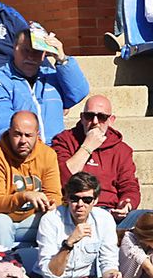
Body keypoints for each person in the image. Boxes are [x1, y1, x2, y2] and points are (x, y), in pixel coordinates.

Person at [34, 172, 132, 278]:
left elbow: (108, 263)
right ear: (66, 198)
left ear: (95, 200)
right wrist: (69, 243)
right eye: (75, 199)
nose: (80, 205)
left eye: (86, 200)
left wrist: (113, 276)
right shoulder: (50, 220)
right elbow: (51, 275)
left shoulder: (104, 219)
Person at [0, 27, 90, 143]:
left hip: (56, 150)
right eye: (26, 50)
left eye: (37, 51)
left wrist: (62, 60)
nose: (31, 57)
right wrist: (36, 151)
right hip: (20, 151)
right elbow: (0, 126)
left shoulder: (51, 76)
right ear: (14, 49)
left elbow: (79, 92)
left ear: (44, 54)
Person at [53, 95, 141, 224]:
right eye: (89, 116)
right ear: (82, 118)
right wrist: (87, 147)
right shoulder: (64, 140)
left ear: (111, 120)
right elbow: (62, 178)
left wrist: (126, 203)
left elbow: (129, 185)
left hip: (110, 212)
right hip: (76, 209)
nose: (95, 122)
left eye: (102, 117)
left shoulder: (122, 150)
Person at [0, 111, 61, 249]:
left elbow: (55, 195)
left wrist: (51, 204)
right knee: (2, 223)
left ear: (38, 134)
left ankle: (47, 267)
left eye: (28, 135)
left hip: (31, 218)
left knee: (56, 219)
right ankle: (1, 267)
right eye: (17, 134)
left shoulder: (48, 154)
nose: (23, 141)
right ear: (9, 132)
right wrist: (24, 196)